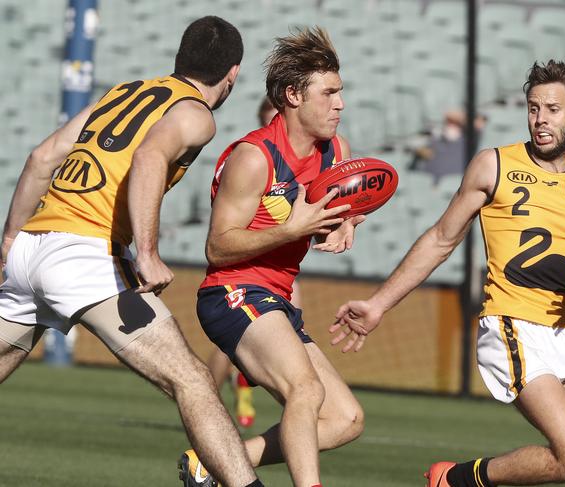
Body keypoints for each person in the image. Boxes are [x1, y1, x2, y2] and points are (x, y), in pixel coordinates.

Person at [332, 60, 565, 487]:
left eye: (553, 109)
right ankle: (458, 480)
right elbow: (441, 239)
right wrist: (377, 304)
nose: (541, 120)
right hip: (511, 325)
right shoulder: (493, 165)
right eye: (534, 108)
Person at [0, 16, 264, 487]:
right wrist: (147, 251)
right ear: (233, 75)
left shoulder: (123, 91)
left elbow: (41, 158)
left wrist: (9, 240)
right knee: (193, 381)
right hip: (85, 253)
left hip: (33, 245)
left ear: (180, 57)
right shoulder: (196, 114)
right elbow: (148, 157)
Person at [181, 27, 365, 487]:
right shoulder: (254, 156)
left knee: (346, 419)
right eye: (329, 93)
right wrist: (291, 229)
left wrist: (346, 222)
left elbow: (346, 203)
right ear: (292, 95)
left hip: (275, 297)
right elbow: (217, 246)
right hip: (232, 291)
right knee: (305, 389)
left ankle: (216, 462)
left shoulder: (336, 151)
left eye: (340, 92)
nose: (340, 103)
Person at [206, 96, 282, 429]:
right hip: (240, 277)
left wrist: (346, 222)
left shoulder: (309, 157)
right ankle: (207, 404)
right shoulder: (252, 158)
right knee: (228, 348)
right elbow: (221, 240)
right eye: (270, 117)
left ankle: (244, 384)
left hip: (281, 273)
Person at [409, 109, 486, 184]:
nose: (451, 126)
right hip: (430, 186)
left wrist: (457, 117)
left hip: (455, 185)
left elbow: (479, 124)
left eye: (455, 124)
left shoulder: (467, 142)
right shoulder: (434, 140)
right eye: (448, 123)